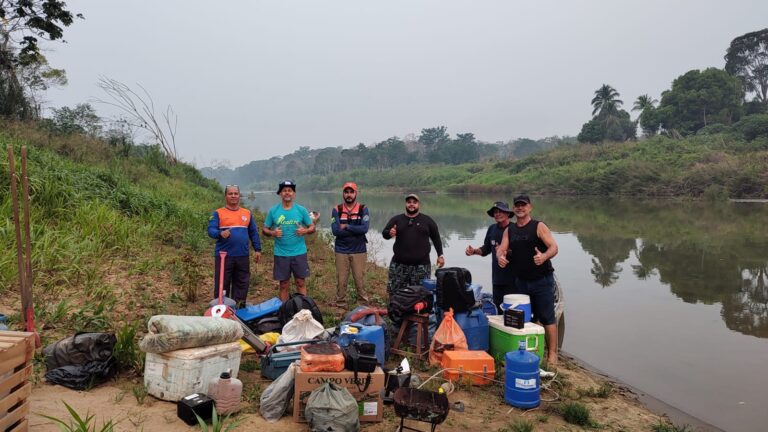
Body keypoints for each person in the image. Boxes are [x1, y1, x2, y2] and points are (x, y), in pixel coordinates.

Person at [497, 194, 559, 367]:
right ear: (514, 209)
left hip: (542, 280)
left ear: (530, 207)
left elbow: (554, 247)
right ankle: (531, 350)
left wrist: (544, 256)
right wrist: (500, 257)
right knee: (525, 318)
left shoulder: (538, 226)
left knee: (547, 317)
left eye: (523, 205)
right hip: (521, 282)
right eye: (517, 205)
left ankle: (552, 354)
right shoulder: (510, 230)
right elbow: (501, 249)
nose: (520, 208)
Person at [207, 185, 262, 308]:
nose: (233, 196)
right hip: (224, 256)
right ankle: (221, 310)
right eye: (230, 193)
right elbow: (211, 230)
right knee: (222, 284)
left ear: (239, 195)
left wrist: (257, 249)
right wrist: (220, 233)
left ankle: (239, 310)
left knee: (242, 284)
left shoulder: (247, 213)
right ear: (225, 196)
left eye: (235, 193)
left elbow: (253, 232)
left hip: (242, 255)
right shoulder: (218, 213)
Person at [382, 193, 445, 297]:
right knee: (395, 294)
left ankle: (417, 313)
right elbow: (385, 233)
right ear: (405, 204)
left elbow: (436, 238)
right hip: (399, 264)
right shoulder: (397, 219)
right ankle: (395, 310)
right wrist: (390, 233)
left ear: (418, 204)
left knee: (420, 295)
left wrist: (440, 255)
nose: (411, 204)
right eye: (409, 202)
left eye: (414, 202)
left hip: (421, 266)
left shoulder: (427, 220)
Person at [262, 180, 316, 302]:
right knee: (283, 284)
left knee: (300, 282)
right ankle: (285, 312)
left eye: (290, 191)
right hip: (281, 253)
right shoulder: (273, 211)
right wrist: (273, 233)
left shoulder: (301, 210)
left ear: (294, 194)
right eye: (284, 190)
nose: (287, 193)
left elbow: (312, 227)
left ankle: (303, 310)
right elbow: (264, 229)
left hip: (299, 252)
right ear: (280, 194)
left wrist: (305, 231)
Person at [465, 201, 516, 309]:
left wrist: (505, 252)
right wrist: (474, 251)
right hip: (497, 278)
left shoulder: (515, 229)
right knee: (498, 307)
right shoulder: (492, 229)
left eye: (501, 211)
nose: (497, 214)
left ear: (508, 214)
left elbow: (521, 252)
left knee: (513, 309)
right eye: (495, 212)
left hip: (514, 279)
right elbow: (486, 249)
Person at [331, 182, 370, 308]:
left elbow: (364, 229)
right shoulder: (336, 209)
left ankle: (363, 304)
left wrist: (347, 226)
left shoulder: (363, 209)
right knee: (341, 280)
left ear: (356, 193)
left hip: (359, 250)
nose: (349, 195)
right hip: (341, 250)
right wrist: (355, 230)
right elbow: (335, 231)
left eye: (351, 192)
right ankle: (340, 303)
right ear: (343, 193)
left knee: (359, 279)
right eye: (346, 192)